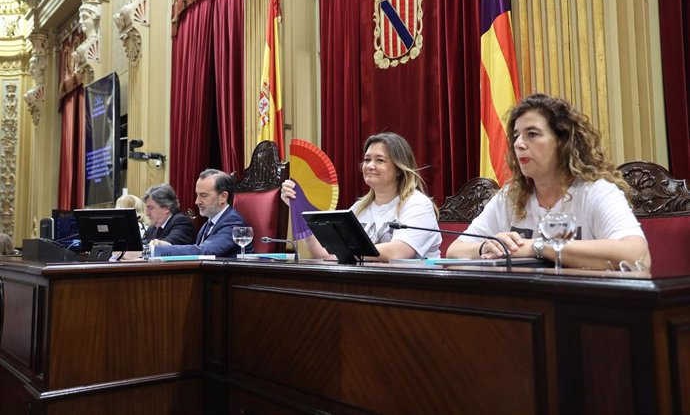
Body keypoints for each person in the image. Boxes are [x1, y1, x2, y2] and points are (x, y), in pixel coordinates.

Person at [446, 93, 650, 270]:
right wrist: (485, 246)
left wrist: (538, 247)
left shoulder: (596, 191)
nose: (518, 144)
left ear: (563, 141)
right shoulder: (510, 197)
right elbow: (454, 252)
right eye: (516, 136)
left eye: (532, 134)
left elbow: (637, 255)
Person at [281, 132, 442, 261]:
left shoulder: (418, 204)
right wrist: (298, 207)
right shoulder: (359, 208)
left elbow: (397, 252)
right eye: (367, 160)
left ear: (399, 168)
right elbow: (325, 253)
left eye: (380, 160)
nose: (370, 166)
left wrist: (346, 251)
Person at [149, 169, 253, 257]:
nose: (197, 201)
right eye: (197, 195)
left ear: (223, 197)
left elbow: (206, 251)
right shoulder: (208, 224)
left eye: (203, 195)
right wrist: (168, 245)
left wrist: (161, 250)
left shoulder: (233, 221)